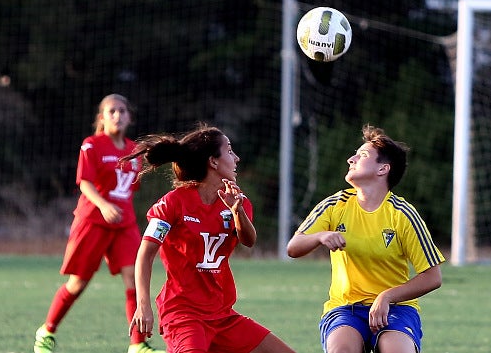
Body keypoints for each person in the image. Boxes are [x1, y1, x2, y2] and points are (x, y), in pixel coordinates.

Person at [122, 123, 296, 353]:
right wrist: (143, 304)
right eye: (230, 151)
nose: (237, 158)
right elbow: (145, 253)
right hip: (184, 316)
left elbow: (249, 240)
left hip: (223, 315)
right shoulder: (172, 203)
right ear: (213, 161)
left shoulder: (238, 201)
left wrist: (237, 211)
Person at [286, 124, 445, 353]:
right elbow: (293, 247)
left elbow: (432, 277)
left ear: (383, 169)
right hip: (345, 309)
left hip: (397, 309)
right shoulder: (335, 204)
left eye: (362, 155)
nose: (351, 159)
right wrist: (320, 236)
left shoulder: (403, 214)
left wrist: (387, 297)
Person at [33, 94, 165, 353]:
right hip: (93, 220)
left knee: (134, 279)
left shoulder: (134, 151)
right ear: (102, 117)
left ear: (129, 117)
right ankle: (46, 332)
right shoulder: (91, 145)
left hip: (124, 224)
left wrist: (116, 207)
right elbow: (84, 182)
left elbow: (130, 188)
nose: (117, 115)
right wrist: (104, 205)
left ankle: (137, 344)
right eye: (111, 111)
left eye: (122, 111)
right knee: (78, 283)